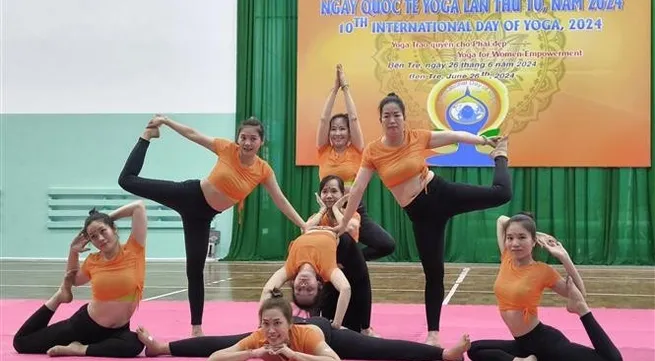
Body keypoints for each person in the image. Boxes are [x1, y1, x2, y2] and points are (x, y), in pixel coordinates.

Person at [334, 92, 512, 346]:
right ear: (381, 120)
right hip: (421, 217)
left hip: (440, 193)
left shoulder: (416, 137)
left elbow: (454, 136)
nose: (392, 120)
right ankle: (434, 334)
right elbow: (358, 189)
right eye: (387, 116)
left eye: (397, 115)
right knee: (433, 273)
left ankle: (501, 157)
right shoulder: (373, 151)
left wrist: (484, 140)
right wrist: (344, 222)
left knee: (501, 193)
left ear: (404, 118)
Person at [118, 115, 307, 336]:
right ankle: (146, 137)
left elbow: (280, 200)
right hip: (188, 195)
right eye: (243, 137)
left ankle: (196, 328)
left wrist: (302, 224)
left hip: (202, 217)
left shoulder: (263, 171)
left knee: (195, 271)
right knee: (127, 181)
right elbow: (193, 134)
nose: (247, 142)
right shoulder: (227, 149)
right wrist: (167, 122)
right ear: (238, 138)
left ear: (261, 142)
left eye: (253, 138)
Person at [466, 213, 623, 361]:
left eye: (522, 237)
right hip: (521, 345)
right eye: (510, 238)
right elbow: (501, 220)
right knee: (474, 349)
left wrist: (564, 257)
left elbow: (580, 294)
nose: (514, 243)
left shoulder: (542, 271)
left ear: (533, 242)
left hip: (545, 343)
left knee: (612, 360)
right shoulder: (506, 257)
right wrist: (537, 233)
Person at [12, 201, 148, 357]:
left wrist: (105, 218)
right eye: (93, 236)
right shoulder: (93, 261)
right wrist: (74, 252)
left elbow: (138, 206)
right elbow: (75, 280)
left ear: (114, 228)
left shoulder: (134, 249)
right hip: (84, 326)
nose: (100, 238)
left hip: (118, 331)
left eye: (103, 231)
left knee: (135, 344)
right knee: (22, 342)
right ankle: (58, 297)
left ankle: (80, 349)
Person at [133, 302, 472, 361]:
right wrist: (252, 351)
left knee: (378, 349)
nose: (271, 330)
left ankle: (443, 353)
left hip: (326, 333)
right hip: (296, 338)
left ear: (289, 324)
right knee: (226, 341)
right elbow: (217, 356)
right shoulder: (262, 336)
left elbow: (334, 360)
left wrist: (294, 353)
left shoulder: (305, 335)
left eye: (277, 324)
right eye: (266, 324)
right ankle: (163, 347)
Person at [316, 64, 395, 261]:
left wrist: (346, 87)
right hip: (328, 212)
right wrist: (334, 89)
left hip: (355, 211)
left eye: (342, 129)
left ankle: (350, 261)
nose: (337, 133)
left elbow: (354, 118)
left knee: (386, 245)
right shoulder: (323, 150)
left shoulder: (357, 150)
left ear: (349, 133)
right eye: (334, 129)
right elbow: (324, 118)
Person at [306, 174, 377, 336]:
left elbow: (350, 229)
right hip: (329, 276)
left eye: (334, 191)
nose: (329, 195)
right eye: (325, 191)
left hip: (352, 274)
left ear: (342, 195)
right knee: (328, 326)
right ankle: (314, 324)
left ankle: (366, 328)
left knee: (353, 329)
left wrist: (337, 209)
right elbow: (306, 229)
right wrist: (322, 210)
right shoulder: (317, 218)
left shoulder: (352, 214)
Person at [260, 226, 351, 329]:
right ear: (319, 284)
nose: (303, 284)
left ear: (293, 283)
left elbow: (268, 289)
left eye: (299, 289)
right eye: (309, 289)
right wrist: (336, 324)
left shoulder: (290, 269)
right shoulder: (327, 269)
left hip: (310, 226)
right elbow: (346, 288)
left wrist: (261, 324)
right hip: (334, 228)